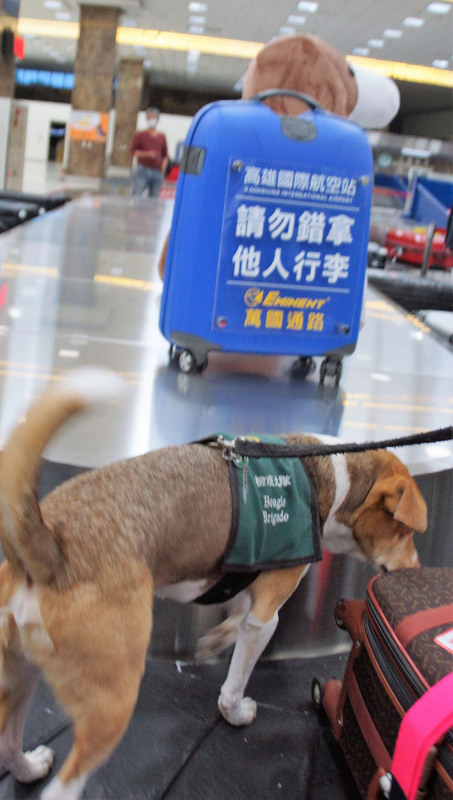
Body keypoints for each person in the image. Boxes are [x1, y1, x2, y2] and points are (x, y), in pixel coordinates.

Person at [130, 107, 169, 197]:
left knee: (154, 198)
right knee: (137, 195)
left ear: (158, 119)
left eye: (154, 117)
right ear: (147, 119)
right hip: (142, 170)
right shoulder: (140, 135)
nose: (152, 120)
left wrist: (163, 168)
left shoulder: (161, 136)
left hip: (157, 172)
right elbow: (133, 152)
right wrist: (147, 154)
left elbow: (165, 155)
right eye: (150, 118)